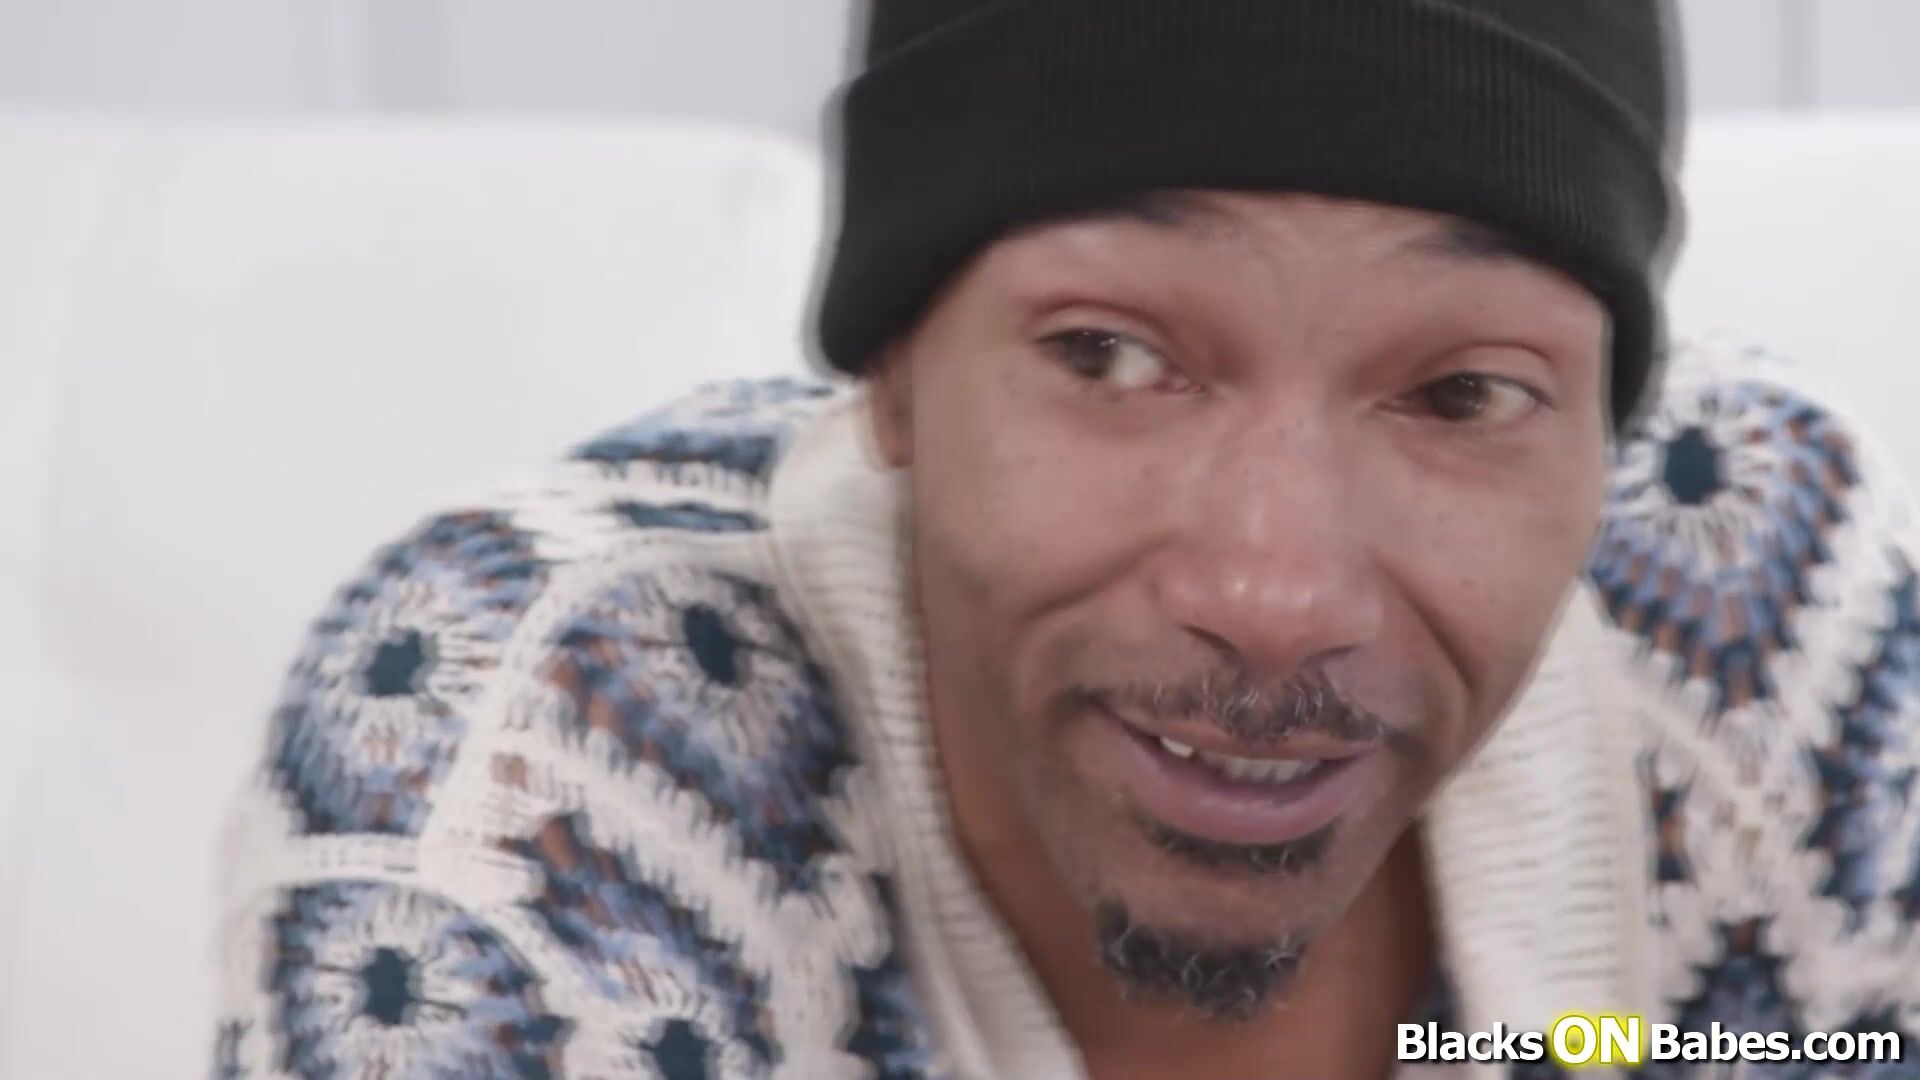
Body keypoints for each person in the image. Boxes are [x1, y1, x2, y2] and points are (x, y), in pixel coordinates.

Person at [210, 2, 1920, 1077]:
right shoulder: (515, 795)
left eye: (1465, 393)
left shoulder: (1762, 600)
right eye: (1110, 358)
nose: (1274, 594)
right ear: (891, 373)